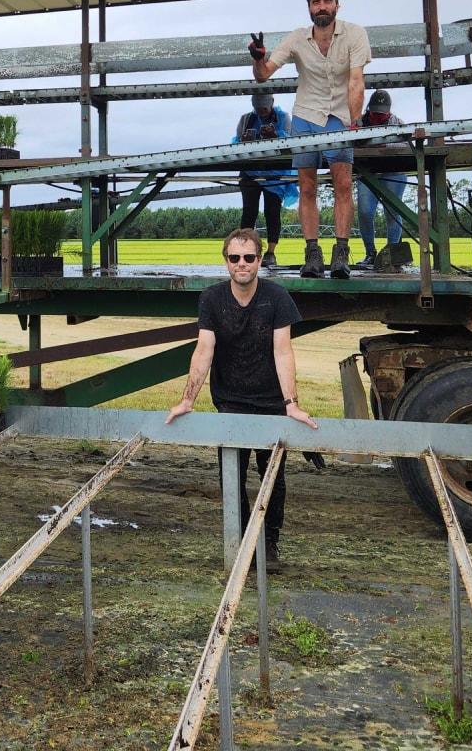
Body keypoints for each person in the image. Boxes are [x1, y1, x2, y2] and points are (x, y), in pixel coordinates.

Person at [165, 228, 320, 562]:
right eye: (234, 258)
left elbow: (283, 352)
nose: (242, 264)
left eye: (249, 257)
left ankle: (269, 543)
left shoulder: (277, 298)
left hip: (270, 400)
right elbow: (204, 349)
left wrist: (291, 404)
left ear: (259, 260)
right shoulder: (211, 298)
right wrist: (187, 399)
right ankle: (241, 538)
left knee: (273, 474)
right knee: (231, 472)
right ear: (226, 262)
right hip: (231, 400)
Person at [249, 0, 372, 279]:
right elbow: (264, 74)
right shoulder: (297, 37)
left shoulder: (355, 34)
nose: (321, 6)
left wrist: (354, 122)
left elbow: (356, 81)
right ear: (309, 9)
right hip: (305, 115)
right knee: (306, 187)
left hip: (339, 117)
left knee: (343, 184)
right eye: (316, 2)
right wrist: (257, 57)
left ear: (337, 7)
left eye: (327, 1)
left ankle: (341, 254)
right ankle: (312, 255)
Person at [232, 91, 298, 270]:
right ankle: (245, 249)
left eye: (264, 109)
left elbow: (290, 141)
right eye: (258, 109)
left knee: (272, 211)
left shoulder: (283, 117)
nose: (261, 112)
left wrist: (275, 135)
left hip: (274, 170)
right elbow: (235, 144)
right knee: (249, 211)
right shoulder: (246, 119)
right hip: (251, 170)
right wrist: (243, 141)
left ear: (271, 104)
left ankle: (271, 252)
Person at [355, 89, 411, 270]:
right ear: (369, 109)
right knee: (364, 212)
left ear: (388, 111)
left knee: (393, 212)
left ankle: (392, 254)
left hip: (394, 172)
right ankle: (370, 253)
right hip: (367, 172)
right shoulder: (359, 123)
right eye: (375, 112)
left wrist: (386, 144)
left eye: (382, 113)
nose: (378, 116)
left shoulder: (398, 123)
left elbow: (408, 143)